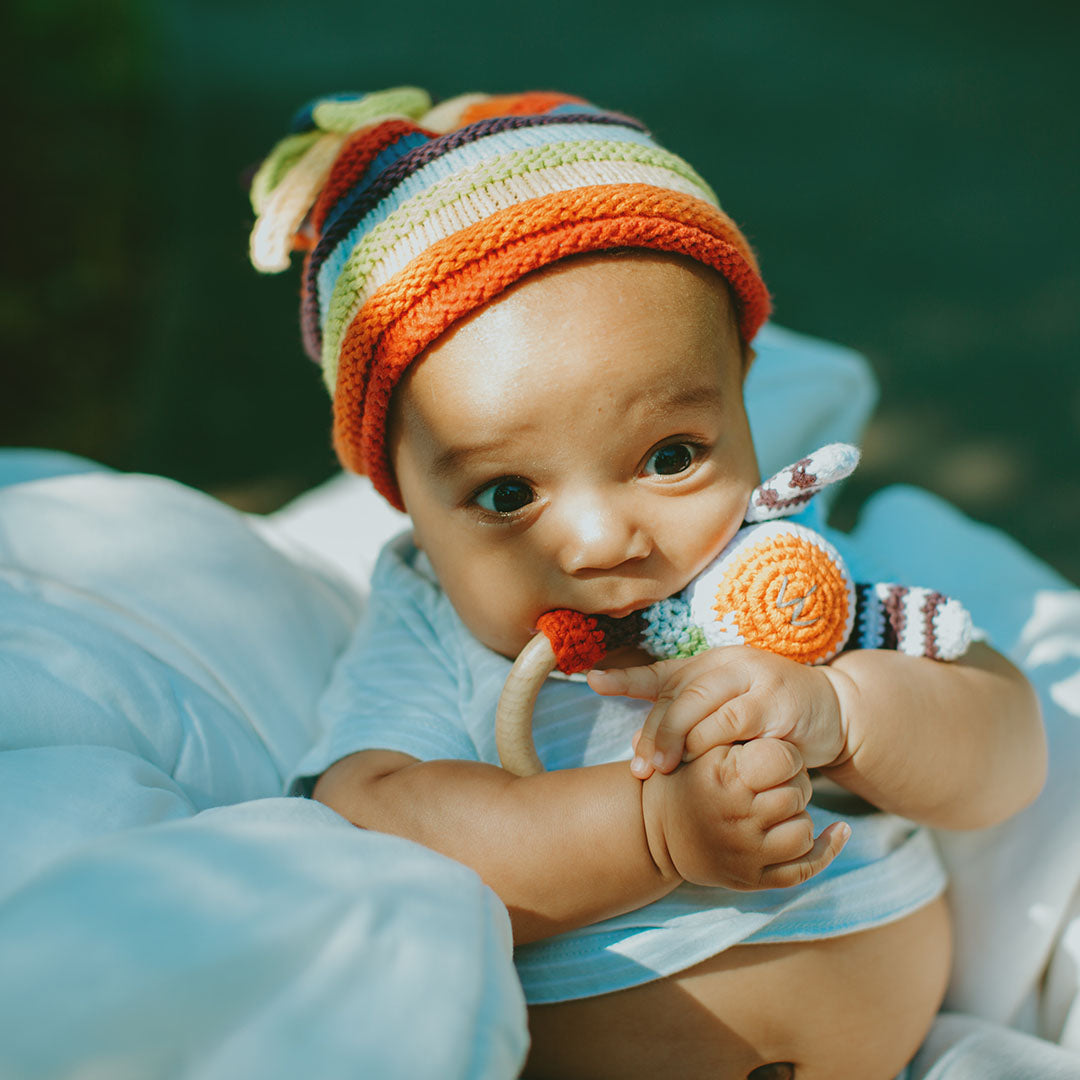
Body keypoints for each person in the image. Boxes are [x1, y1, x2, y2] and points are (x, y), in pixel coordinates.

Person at [251, 88, 1046, 1079]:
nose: (600, 540)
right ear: (404, 497)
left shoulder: (775, 568)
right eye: (508, 491)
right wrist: (649, 830)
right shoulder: (434, 626)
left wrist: (846, 712)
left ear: (743, 394)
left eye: (670, 455)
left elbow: (1009, 752)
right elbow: (377, 826)